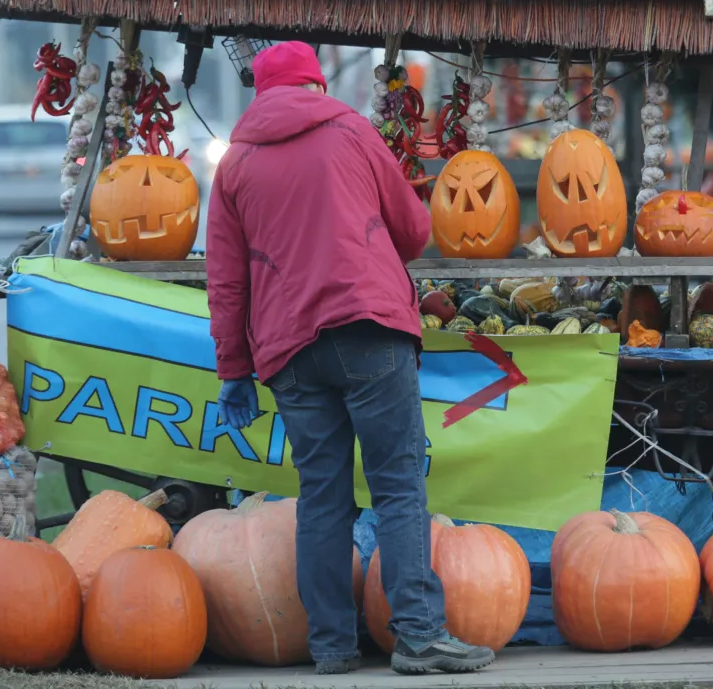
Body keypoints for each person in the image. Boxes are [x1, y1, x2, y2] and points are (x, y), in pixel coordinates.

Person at [205, 42, 497, 677]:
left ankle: (331, 647)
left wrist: (233, 372)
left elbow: (226, 283)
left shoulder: (234, 165)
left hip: (287, 351)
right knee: (397, 486)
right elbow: (414, 231)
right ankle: (418, 637)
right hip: (369, 330)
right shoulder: (350, 132)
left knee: (322, 496)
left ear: (260, 92)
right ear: (314, 83)